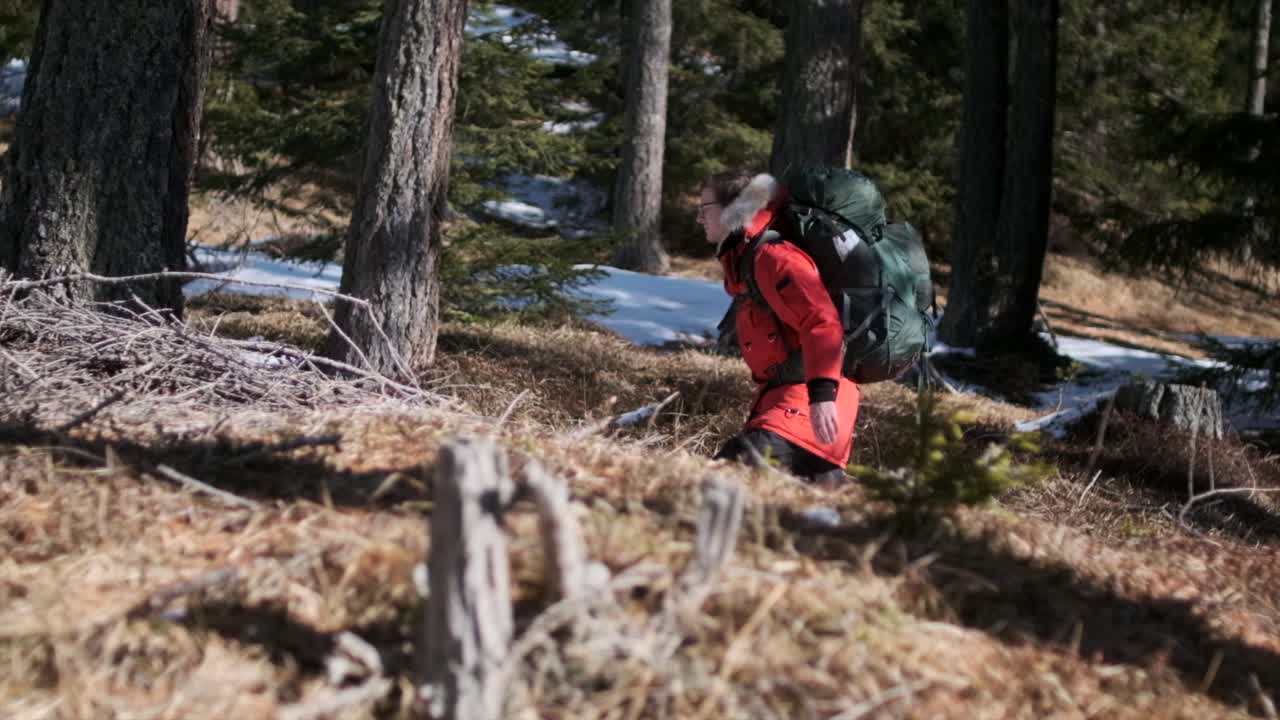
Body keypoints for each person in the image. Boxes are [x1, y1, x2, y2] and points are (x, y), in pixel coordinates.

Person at [699, 171, 860, 483]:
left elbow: (823, 321)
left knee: (717, 482)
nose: (698, 219)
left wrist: (822, 396)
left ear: (733, 208)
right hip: (795, 410)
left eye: (704, 209)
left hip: (808, 410)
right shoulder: (747, 260)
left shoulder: (774, 257)